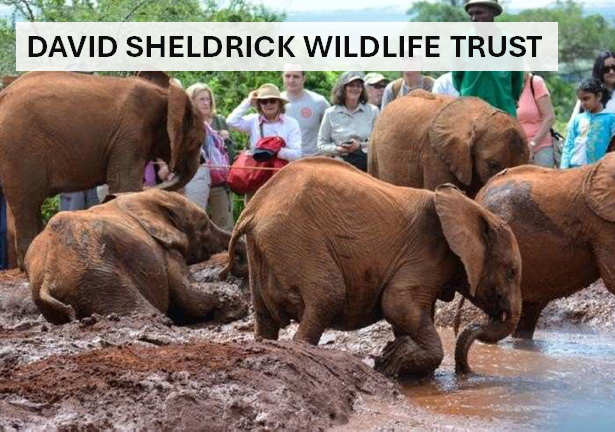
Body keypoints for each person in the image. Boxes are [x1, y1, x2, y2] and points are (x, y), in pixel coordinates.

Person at [227, 83, 302, 201]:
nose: (268, 104)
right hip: (255, 177)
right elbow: (231, 121)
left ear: (279, 103)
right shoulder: (253, 121)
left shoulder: (291, 123)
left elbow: (297, 154)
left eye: (272, 101)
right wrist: (248, 102)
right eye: (264, 101)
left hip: (281, 179)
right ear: (259, 104)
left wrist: (272, 151)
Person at [452, 0, 524, 116]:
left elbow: (517, 79)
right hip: (470, 114)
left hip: (503, 111)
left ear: (493, 12)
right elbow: (457, 78)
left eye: (479, 13)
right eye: (471, 14)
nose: (474, 18)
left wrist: (510, 98)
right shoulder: (461, 43)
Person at [186, 83, 235, 231]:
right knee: (196, 223)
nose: (206, 103)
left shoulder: (219, 121)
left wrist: (225, 139)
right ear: (192, 101)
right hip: (195, 180)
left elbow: (230, 152)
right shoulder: (187, 123)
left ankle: (227, 254)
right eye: (201, 99)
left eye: (208, 99)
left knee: (224, 224)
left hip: (219, 182)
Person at [317, 71, 379, 171]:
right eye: (351, 85)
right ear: (343, 88)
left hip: (366, 165)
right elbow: (321, 145)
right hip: (339, 165)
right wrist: (337, 149)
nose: (355, 89)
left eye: (358, 86)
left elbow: (378, 142)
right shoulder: (330, 113)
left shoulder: (373, 111)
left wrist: (359, 146)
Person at [560, 78, 615, 169]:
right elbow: (568, 145)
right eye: (581, 100)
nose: (583, 103)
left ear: (599, 96)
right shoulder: (577, 119)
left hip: (599, 169)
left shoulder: (611, 119)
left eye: (586, 99)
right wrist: (563, 168)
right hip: (575, 167)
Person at [280, 66, 330, 157]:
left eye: (296, 76)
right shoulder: (273, 102)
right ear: (282, 77)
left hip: (312, 160)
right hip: (283, 161)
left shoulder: (319, 102)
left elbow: (332, 129)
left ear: (304, 79)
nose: (291, 80)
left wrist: (327, 154)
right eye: (287, 76)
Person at [516, 72, 556, 167]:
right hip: (517, 150)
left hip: (540, 147)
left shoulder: (535, 82)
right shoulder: (508, 87)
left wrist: (532, 145)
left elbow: (549, 117)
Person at [568, 51, 615, 123]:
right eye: (606, 69)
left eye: (614, 67)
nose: (611, 72)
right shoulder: (587, 94)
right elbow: (573, 124)